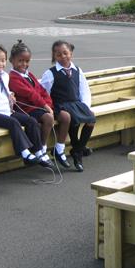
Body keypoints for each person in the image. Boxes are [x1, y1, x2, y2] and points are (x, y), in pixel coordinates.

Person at [0, 44, 53, 169]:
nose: (0, 64)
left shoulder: (4, 76)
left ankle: (39, 151)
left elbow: (4, 90)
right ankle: (24, 153)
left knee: (31, 121)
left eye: (2, 60)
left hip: (6, 111)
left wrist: (10, 95)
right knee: (13, 123)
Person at [8, 40, 70, 166]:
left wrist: (49, 105)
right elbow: (31, 95)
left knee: (63, 116)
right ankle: (41, 148)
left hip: (38, 107)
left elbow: (42, 91)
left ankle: (56, 148)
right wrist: (46, 107)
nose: (24, 64)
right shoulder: (12, 77)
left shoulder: (29, 74)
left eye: (27, 61)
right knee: (48, 117)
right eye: (20, 61)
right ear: (12, 60)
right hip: (27, 109)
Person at [40, 40, 95, 172]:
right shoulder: (50, 73)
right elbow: (43, 92)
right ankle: (78, 156)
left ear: (71, 53)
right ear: (54, 56)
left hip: (75, 103)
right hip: (60, 105)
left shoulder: (77, 70)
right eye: (58, 54)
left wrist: (85, 106)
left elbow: (84, 90)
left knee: (91, 118)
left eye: (65, 53)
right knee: (70, 118)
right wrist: (48, 107)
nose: (63, 56)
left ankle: (78, 150)